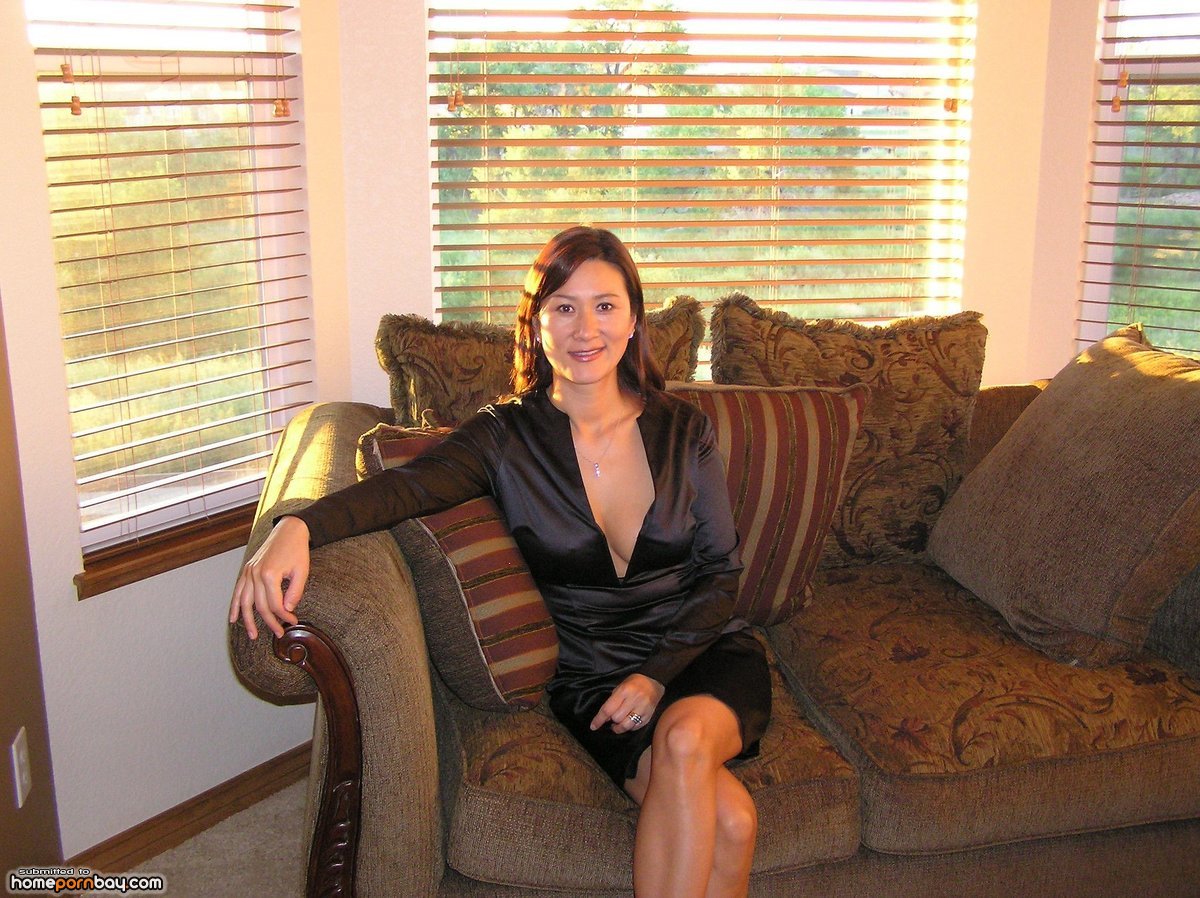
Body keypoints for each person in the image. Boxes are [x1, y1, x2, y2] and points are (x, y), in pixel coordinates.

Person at [230, 226, 772, 898]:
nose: (586, 329)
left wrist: (655, 677)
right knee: (733, 820)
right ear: (536, 325)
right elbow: (405, 489)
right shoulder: (503, 436)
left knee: (687, 744)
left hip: (698, 652)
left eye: (605, 306)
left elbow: (721, 573)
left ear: (634, 319)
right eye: (564, 307)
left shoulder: (683, 429)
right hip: (596, 678)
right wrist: (298, 525)